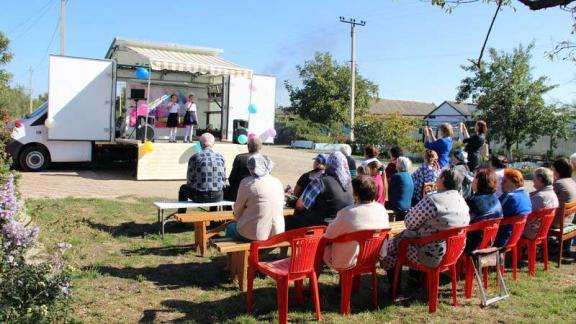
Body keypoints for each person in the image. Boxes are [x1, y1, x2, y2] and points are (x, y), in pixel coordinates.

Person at [381, 168, 470, 276]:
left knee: (391, 246)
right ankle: (415, 279)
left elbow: (409, 223)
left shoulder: (433, 200)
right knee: (411, 238)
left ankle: (395, 289)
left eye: (438, 176)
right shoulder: (462, 201)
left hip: (429, 254)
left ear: (443, 179)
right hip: (453, 253)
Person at [323, 176, 390, 270]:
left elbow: (329, 235)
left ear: (355, 194)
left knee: (324, 245)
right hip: (371, 258)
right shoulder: (381, 209)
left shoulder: (347, 212)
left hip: (347, 261)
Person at [286, 152, 354, 229]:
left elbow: (300, 205)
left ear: (329, 164)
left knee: (286, 221)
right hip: (342, 225)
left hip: (321, 226)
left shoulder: (320, 181)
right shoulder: (350, 184)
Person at [225, 154, 285, 241]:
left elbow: (238, 210)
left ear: (250, 168)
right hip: (277, 232)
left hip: (256, 234)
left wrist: (237, 217)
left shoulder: (247, 182)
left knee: (230, 228)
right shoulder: (277, 182)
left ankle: (235, 254)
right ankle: (258, 253)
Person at [177, 133, 225, 213]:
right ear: (213, 144)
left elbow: (189, 179)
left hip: (200, 196)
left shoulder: (195, 157)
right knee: (216, 189)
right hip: (218, 196)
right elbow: (223, 178)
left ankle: (181, 216)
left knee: (183, 188)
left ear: (200, 144)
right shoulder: (220, 157)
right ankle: (213, 220)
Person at [465, 168, 503, 252]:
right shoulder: (496, 198)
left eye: (474, 178)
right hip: (489, 240)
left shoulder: (472, 201)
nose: (472, 181)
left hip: (472, 243)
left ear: (479, 182)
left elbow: (463, 222)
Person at [494, 168, 532, 248]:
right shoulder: (526, 195)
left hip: (501, 239)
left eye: (505, 181)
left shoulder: (509, 197)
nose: (501, 183)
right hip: (516, 236)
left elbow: (494, 216)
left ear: (514, 182)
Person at [523, 167, 559, 240]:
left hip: (533, 232)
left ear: (539, 179)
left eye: (534, 178)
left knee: (511, 227)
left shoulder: (540, 197)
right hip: (543, 230)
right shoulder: (552, 193)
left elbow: (528, 217)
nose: (533, 180)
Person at [386, 157, 414, 221]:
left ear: (399, 166)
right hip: (407, 206)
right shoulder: (409, 176)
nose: (396, 164)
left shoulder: (397, 176)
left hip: (397, 207)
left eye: (397, 163)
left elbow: (388, 189)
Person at [551, 157, 576, 229]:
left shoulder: (558, 183)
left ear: (556, 170)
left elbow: (546, 200)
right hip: (568, 221)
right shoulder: (572, 182)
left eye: (553, 168)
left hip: (557, 223)